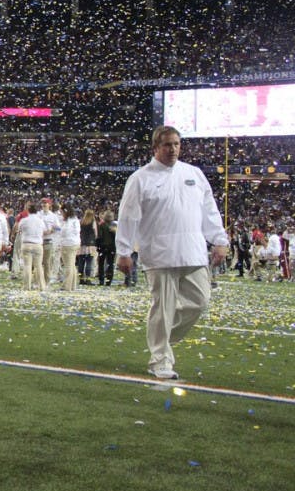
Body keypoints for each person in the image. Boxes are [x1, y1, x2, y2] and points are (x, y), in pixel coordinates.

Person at [116, 125, 228, 380]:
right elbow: (128, 217)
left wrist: (219, 240)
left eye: (176, 144)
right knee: (162, 310)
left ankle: (162, 339)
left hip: (193, 251)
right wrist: (123, 251)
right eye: (167, 144)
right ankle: (160, 360)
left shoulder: (194, 174)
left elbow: (209, 211)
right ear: (155, 147)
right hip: (159, 254)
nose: (173, 149)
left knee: (199, 302)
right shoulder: (141, 178)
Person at [16, 202, 46, 291]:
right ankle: (42, 286)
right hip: (37, 244)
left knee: (27, 266)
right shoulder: (40, 221)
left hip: (26, 244)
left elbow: (19, 229)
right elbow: (44, 231)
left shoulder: (24, 220)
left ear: (28, 211)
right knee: (39, 266)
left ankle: (27, 286)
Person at [58, 203, 81, 291]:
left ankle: (67, 285)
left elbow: (65, 232)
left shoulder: (68, 221)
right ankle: (73, 285)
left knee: (68, 265)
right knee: (72, 265)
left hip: (68, 244)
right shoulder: (75, 220)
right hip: (75, 243)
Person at [95, 211, 117, 287]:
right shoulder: (114, 226)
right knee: (110, 264)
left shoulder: (101, 225)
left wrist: (98, 246)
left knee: (101, 264)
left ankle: (101, 280)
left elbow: (99, 236)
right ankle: (109, 281)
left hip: (102, 246)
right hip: (112, 247)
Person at [77, 209, 97, 284]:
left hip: (81, 244)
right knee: (89, 262)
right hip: (91, 245)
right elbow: (96, 233)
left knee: (81, 263)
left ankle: (81, 279)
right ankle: (88, 279)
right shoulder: (93, 222)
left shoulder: (81, 222)